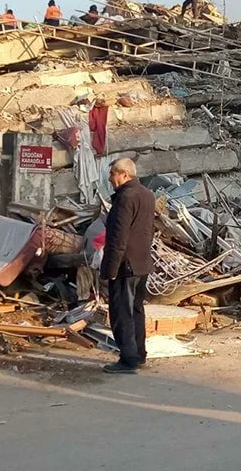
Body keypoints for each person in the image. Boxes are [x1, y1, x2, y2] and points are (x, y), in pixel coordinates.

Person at [101, 157, 156, 374]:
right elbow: (147, 231)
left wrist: (111, 270)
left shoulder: (125, 198)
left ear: (124, 174)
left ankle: (128, 360)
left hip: (126, 264)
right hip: (142, 262)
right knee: (136, 310)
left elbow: (118, 237)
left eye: (113, 173)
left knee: (122, 311)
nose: (110, 178)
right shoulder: (146, 194)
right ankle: (139, 354)